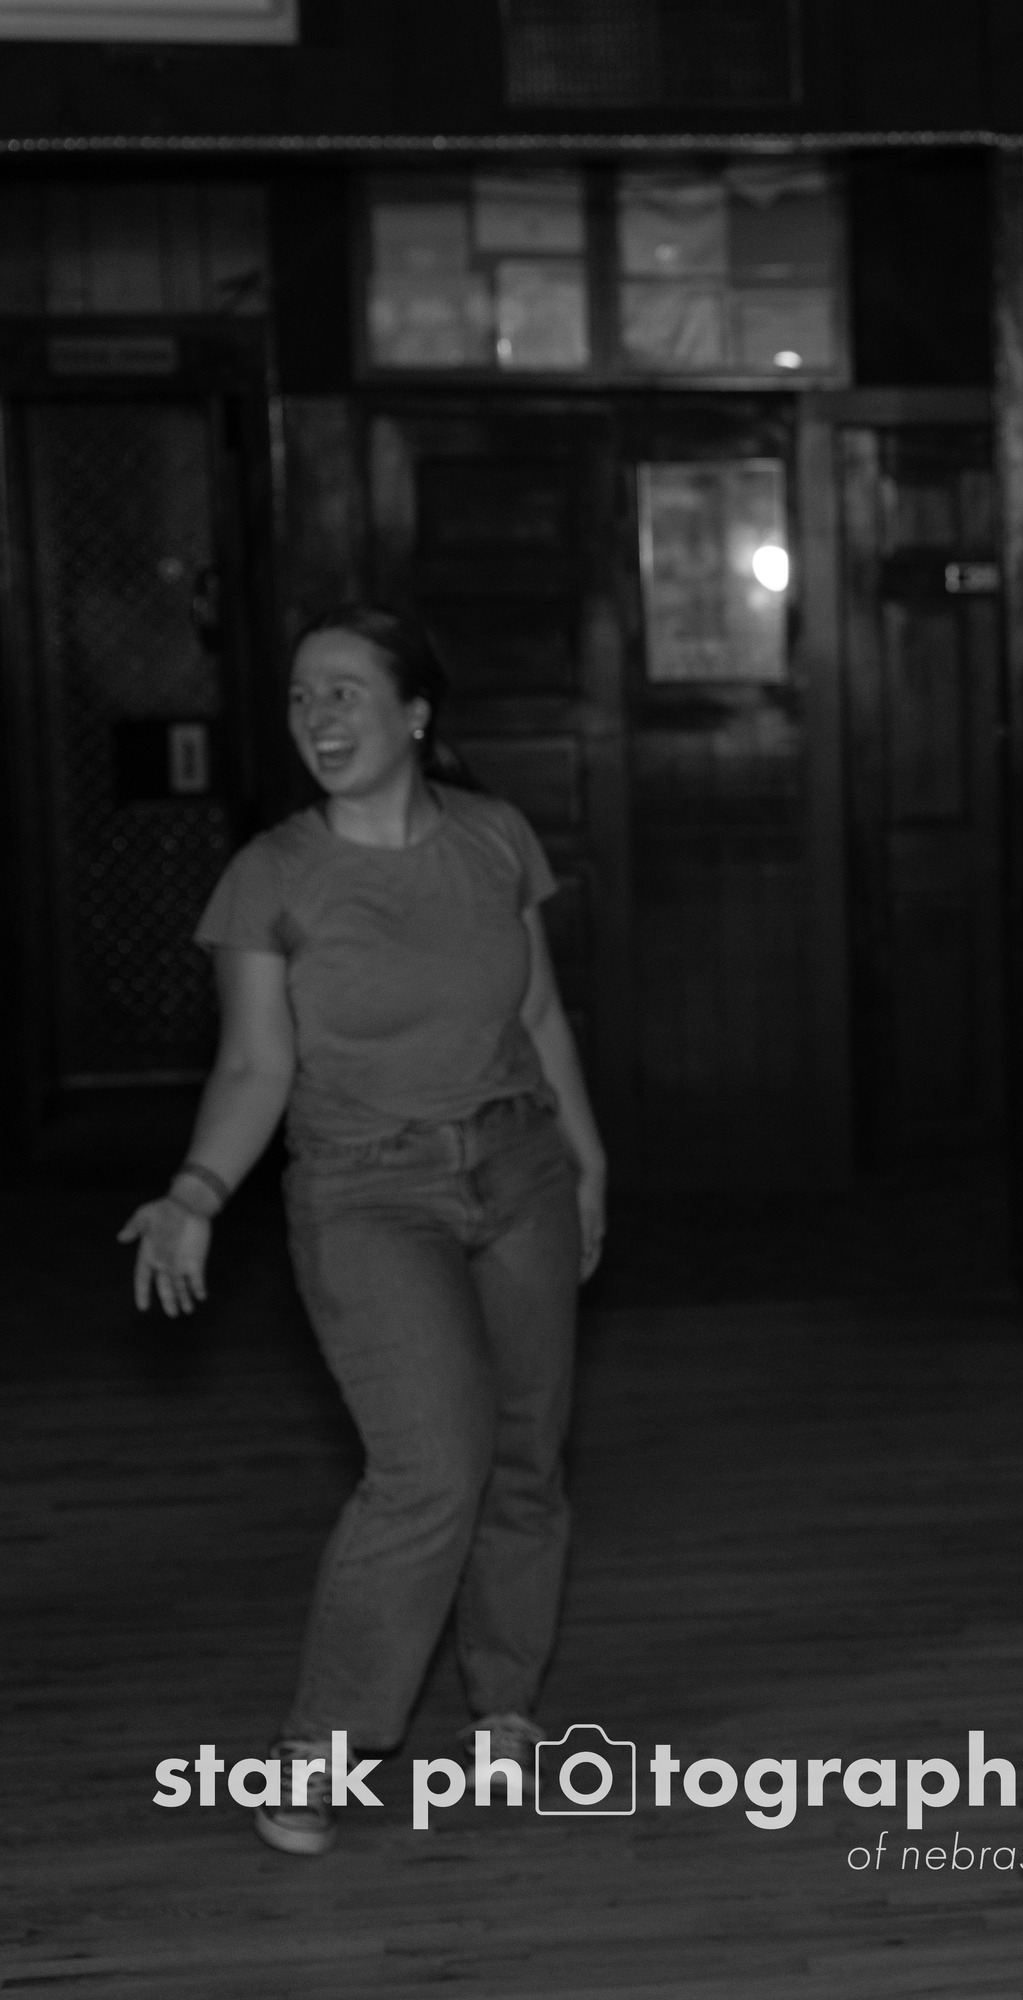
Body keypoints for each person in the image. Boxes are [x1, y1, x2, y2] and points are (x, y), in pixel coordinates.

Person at [116, 605, 608, 1856]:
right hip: (365, 1191)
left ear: (415, 713)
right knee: (430, 1464)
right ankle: (322, 1749)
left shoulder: (494, 837)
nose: (317, 716)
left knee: (525, 1456)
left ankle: (506, 1707)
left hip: (520, 1167)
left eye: (343, 691)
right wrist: (194, 1193)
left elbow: (539, 1014)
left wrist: (588, 1158)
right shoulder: (273, 875)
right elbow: (253, 1064)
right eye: (300, 696)